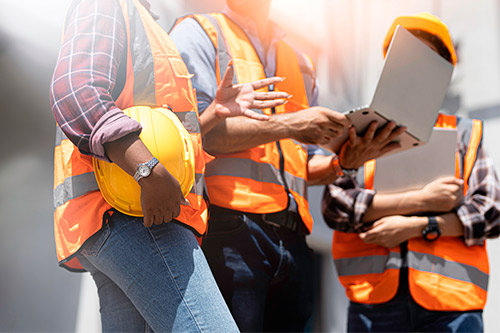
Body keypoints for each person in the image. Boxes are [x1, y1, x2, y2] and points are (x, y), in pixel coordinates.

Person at [49, 0, 291, 331]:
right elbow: (75, 93)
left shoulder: (143, 19)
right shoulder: (105, 4)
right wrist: (146, 170)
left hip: (126, 212)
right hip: (134, 212)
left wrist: (212, 114)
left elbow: (161, 131)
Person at [170, 1, 405, 331]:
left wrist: (344, 163)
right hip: (229, 231)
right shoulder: (198, 34)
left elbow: (303, 164)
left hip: (293, 241)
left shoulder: (301, 62)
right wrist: (291, 125)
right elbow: (196, 134)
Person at [322, 13, 500, 333]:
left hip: (452, 307)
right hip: (374, 304)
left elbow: (491, 212)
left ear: (446, 71)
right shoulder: (363, 132)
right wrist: (422, 200)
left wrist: (415, 226)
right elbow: (335, 205)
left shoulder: (463, 134)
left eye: (430, 56)